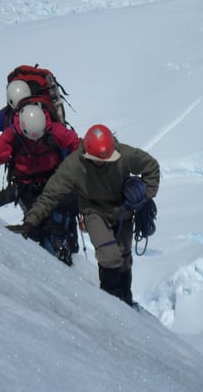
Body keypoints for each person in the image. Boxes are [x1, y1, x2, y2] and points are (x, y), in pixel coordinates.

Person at [13, 124, 160, 308]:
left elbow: (151, 167)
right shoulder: (74, 165)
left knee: (123, 257)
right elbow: (51, 194)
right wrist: (30, 222)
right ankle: (113, 304)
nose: (102, 163)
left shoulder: (124, 154)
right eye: (98, 160)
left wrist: (144, 196)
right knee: (109, 255)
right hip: (94, 211)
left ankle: (126, 302)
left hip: (123, 210)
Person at [0, 104, 81, 263]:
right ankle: (55, 257)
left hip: (47, 182)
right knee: (38, 229)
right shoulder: (12, 135)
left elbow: (77, 145)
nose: (36, 141)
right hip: (28, 187)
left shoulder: (52, 129)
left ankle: (61, 253)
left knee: (53, 224)